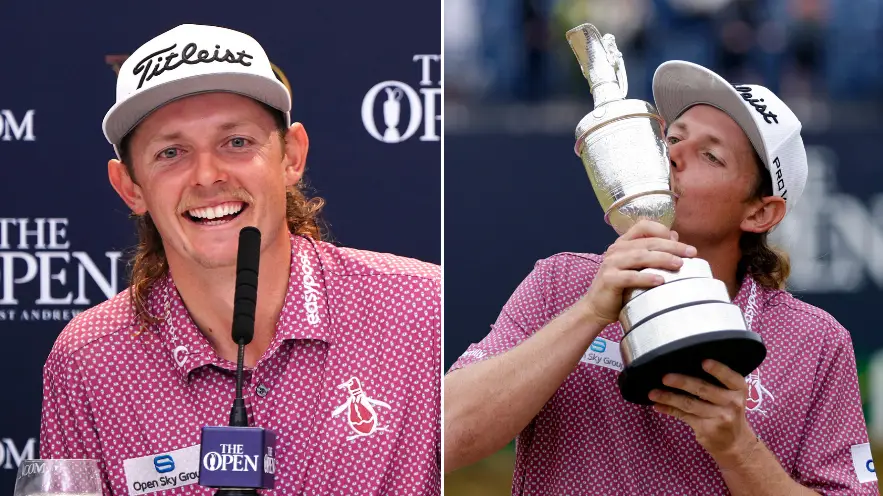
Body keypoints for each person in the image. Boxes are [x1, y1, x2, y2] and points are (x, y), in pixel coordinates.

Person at [39, 24, 440, 495]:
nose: (207, 175)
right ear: (130, 186)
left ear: (292, 155)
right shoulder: (83, 360)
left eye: (236, 142)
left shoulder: (421, 308)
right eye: (172, 152)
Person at [445, 60, 877, 495]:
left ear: (759, 211)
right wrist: (590, 313)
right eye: (673, 137)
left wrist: (738, 449)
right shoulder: (561, 284)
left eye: (710, 155)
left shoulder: (816, 342)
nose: (672, 154)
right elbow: (445, 436)